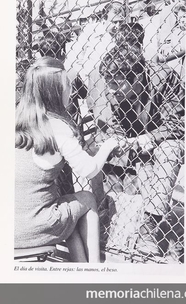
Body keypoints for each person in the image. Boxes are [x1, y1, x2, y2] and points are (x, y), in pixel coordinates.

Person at [15, 56, 122, 263]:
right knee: (87, 199)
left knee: (67, 209)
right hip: (35, 228)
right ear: (54, 92)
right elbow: (89, 169)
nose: (71, 91)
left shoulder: (14, 120)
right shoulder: (58, 127)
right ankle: (93, 270)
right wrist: (109, 145)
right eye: (67, 86)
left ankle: (81, 271)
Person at [99, 44, 184, 259]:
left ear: (137, 77)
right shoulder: (114, 92)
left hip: (177, 138)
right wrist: (118, 141)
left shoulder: (163, 78)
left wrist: (147, 138)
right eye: (108, 83)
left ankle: (149, 228)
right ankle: (163, 237)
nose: (110, 90)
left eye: (116, 84)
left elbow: (178, 124)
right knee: (149, 186)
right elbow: (119, 127)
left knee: (168, 149)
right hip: (142, 145)